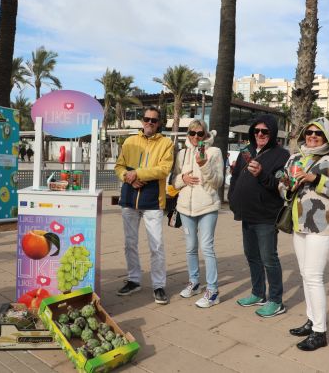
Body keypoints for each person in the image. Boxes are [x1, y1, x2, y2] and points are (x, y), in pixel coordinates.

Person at [278, 117, 329, 351]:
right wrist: (287, 186)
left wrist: (316, 179)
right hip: (299, 223)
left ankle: (320, 332)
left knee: (313, 275)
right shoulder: (295, 158)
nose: (312, 136)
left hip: (322, 225)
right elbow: (282, 186)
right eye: (309, 132)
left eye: (317, 133)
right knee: (304, 274)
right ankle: (312, 321)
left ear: (326, 136)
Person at [228, 114, 290, 317]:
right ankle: (257, 293)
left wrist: (261, 174)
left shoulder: (282, 155)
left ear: (272, 133)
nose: (260, 134)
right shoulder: (246, 151)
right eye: (257, 131)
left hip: (266, 215)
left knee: (269, 258)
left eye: (265, 131)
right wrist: (233, 199)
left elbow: (280, 185)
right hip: (247, 213)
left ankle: (276, 300)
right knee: (252, 256)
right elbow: (236, 177)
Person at [114, 106, 174, 304]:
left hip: (152, 201)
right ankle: (134, 279)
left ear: (159, 123)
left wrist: (137, 174)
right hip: (130, 197)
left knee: (156, 245)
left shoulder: (166, 143)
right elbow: (119, 166)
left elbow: (164, 169)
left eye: (154, 120)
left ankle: (158, 285)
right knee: (129, 243)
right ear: (142, 120)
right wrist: (128, 177)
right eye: (147, 119)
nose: (149, 122)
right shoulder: (130, 141)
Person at [172, 119, 224, 308]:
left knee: (207, 247)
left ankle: (213, 291)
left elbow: (218, 182)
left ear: (206, 134)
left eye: (199, 133)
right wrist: (182, 178)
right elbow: (174, 181)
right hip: (185, 208)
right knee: (190, 247)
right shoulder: (182, 154)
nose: (195, 137)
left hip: (207, 207)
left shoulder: (214, 152)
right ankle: (194, 283)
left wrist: (203, 165)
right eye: (192, 133)